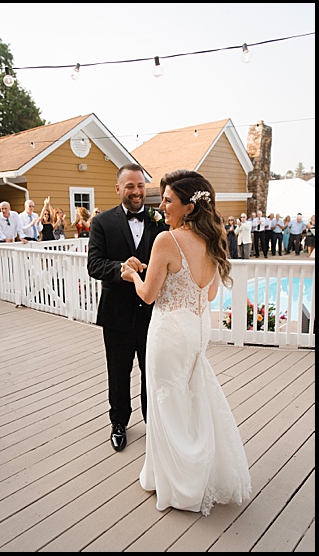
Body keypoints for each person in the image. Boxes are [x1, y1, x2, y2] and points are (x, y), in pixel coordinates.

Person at [119, 169, 251, 515]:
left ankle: (180, 483)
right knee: (192, 397)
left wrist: (132, 273)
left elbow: (148, 296)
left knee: (167, 402)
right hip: (195, 328)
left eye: (167, 201)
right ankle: (199, 471)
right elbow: (207, 290)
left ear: (188, 207)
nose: (161, 206)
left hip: (168, 330)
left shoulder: (167, 239)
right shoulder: (213, 238)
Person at [86, 163, 168, 451]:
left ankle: (152, 422)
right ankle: (119, 422)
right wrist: (120, 267)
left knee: (152, 370)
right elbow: (93, 265)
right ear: (118, 188)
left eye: (141, 185)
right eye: (130, 186)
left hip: (153, 313)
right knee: (118, 371)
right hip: (116, 313)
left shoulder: (161, 222)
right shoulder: (102, 223)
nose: (136, 191)